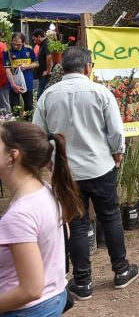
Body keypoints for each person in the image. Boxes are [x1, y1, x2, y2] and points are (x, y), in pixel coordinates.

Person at [32, 47, 139, 300]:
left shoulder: (48, 96)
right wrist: (117, 152)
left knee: (77, 224)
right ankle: (122, 271)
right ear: (88, 67)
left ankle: (82, 282)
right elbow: (115, 130)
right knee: (110, 217)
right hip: (100, 167)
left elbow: (37, 135)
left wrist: (50, 162)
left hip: (66, 173)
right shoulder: (101, 92)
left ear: (63, 68)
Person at [0, 121, 83, 316]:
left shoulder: (19, 215)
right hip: (54, 298)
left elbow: (31, 290)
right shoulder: (45, 190)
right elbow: (64, 235)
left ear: (12, 156)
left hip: (26, 310)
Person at [3, 32, 38, 114]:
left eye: (18, 44)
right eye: (14, 44)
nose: (16, 46)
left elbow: (36, 63)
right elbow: (7, 70)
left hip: (27, 83)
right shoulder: (7, 51)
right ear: (11, 41)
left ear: (23, 42)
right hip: (13, 85)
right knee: (15, 110)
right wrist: (14, 86)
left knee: (29, 109)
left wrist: (27, 66)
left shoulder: (29, 49)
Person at [31, 29, 52, 98]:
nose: (34, 42)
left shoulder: (46, 43)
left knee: (40, 95)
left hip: (45, 76)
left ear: (39, 37)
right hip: (42, 75)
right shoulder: (42, 44)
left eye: (34, 39)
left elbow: (49, 57)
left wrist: (48, 71)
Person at [0, 39, 9, 114]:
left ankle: (6, 122)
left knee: (4, 102)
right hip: (3, 77)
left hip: (2, 78)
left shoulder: (1, 47)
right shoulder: (3, 46)